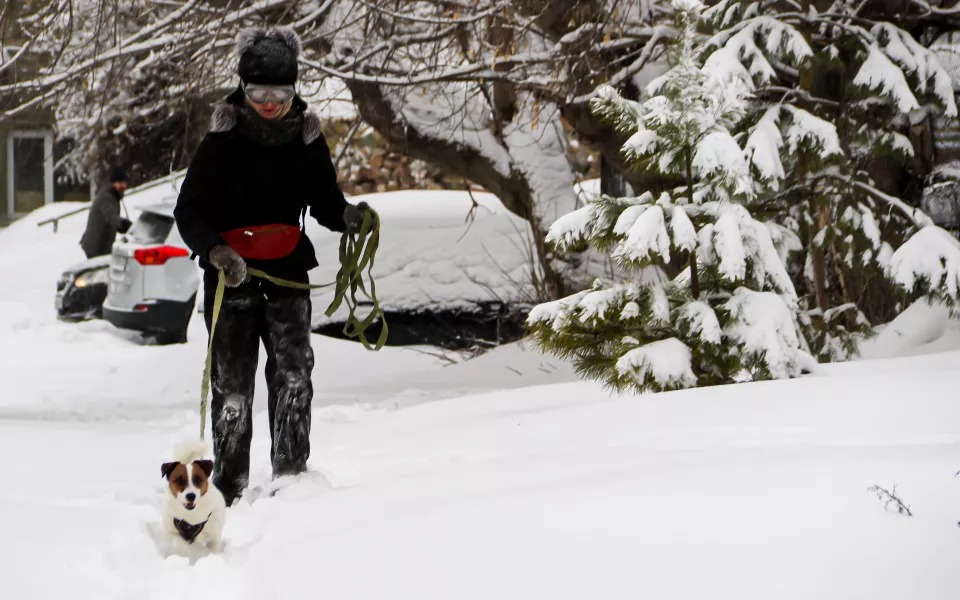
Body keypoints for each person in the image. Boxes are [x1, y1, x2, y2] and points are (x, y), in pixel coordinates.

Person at [174, 26, 367, 506]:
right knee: (232, 390)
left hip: (287, 277)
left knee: (294, 378)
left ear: (293, 90)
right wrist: (216, 252)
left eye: (279, 93)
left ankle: (291, 477)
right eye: (258, 92)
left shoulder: (306, 139)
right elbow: (189, 211)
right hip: (231, 280)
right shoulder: (221, 141)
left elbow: (324, 200)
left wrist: (348, 216)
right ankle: (229, 489)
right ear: (242, 87)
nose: (268, 103)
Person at [80, 167, 132, 258]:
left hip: (102, 243)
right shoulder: (107, 197)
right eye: (120, 183)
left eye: (125, 183)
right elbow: (111, 216)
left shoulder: (113, 196)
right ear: (113, 183)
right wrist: (122, 224)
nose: (123, 186)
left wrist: (121, 227)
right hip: (96, 245)